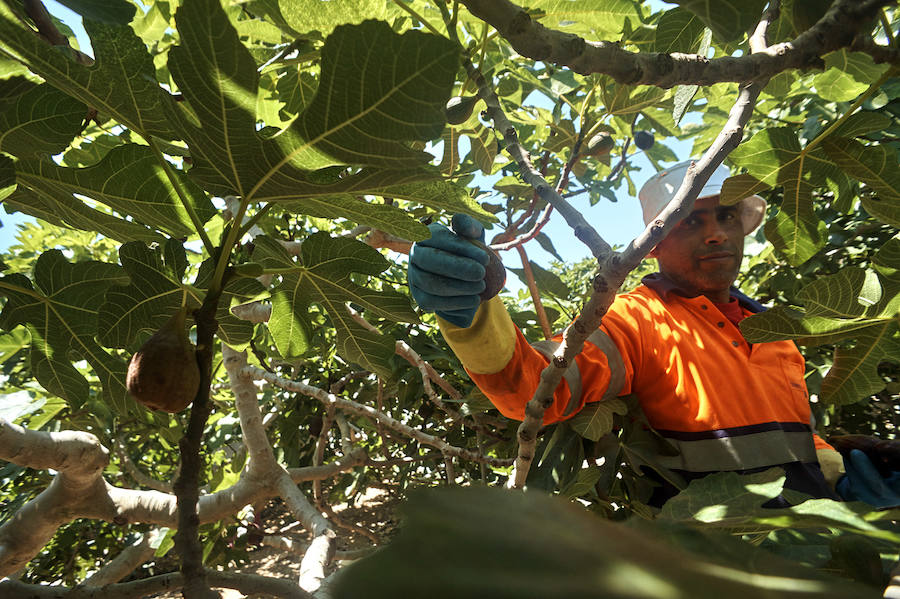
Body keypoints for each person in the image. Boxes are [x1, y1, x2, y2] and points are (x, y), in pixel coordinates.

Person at [408, 160, 900, 508]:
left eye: (727, 216)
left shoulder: (774, 331)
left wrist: (835, 461)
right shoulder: (638, 319)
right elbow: (533, 388)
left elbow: (785, 433)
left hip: (821, 540)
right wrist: (472, 315)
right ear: (651, 247)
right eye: (691, 221)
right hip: (717, 563)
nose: (716, 234)